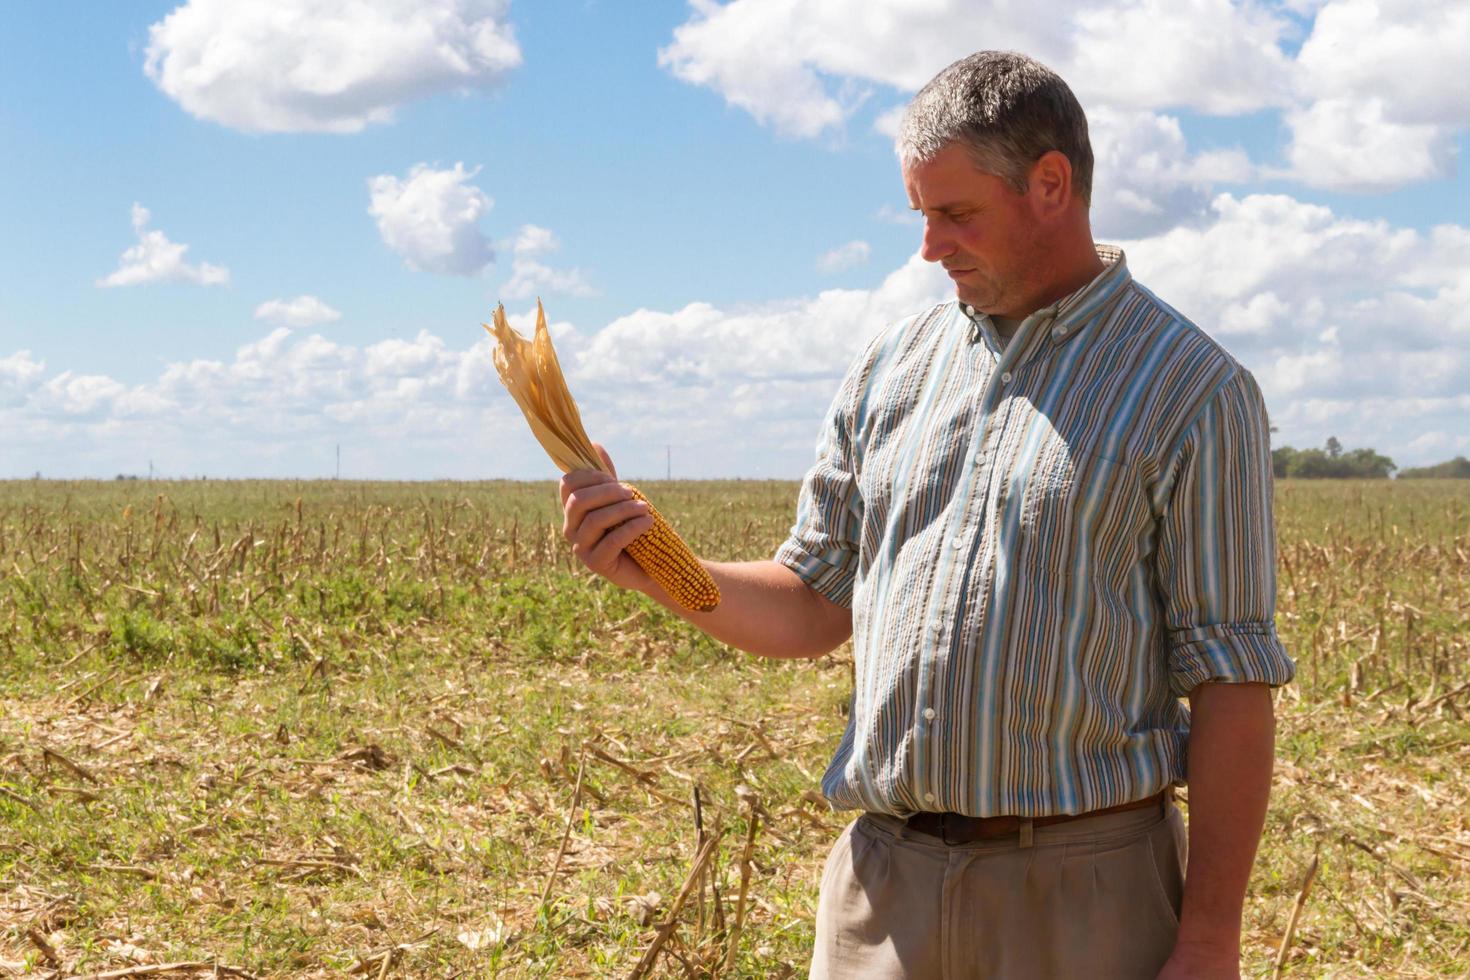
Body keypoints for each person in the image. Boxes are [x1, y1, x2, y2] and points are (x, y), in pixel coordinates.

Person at [559, 50, 1294, 980]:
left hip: (1086, 901)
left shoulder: (1193, 391)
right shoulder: (891, 367)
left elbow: (1230, 680)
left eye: (956, 213)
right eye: (920, 215)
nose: (929, 246)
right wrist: (655, 561)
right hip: (883, 894)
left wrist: (1209, 940)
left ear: (1051, 185)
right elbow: (813, 600)